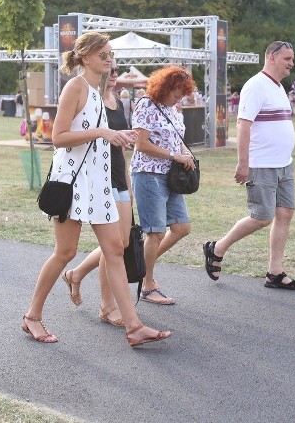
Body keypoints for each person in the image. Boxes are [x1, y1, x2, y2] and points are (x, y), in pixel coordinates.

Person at [22, 32, 171, 347]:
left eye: (110, 54)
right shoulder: (75, 87)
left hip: (100, 184)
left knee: (115, 249)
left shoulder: (99, 91)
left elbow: (95, 135)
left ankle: (134, 327)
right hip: (73, 182)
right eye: (103, 54)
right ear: (85, 57)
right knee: (66, 252)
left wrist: (119, 134)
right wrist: (103, 132)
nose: (109, 59)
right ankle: (32, 316)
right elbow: (59, 137)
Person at [201, 41, 295, 290]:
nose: (291, 63)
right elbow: (243, 124)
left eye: (292, 59)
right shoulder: (256, 85)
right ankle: (217, 248)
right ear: (271, 57)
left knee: (285, 213)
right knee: (262, 217)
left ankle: (274, 272)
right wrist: (243, 163)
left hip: (284, 165)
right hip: (262, 165)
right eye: (287, 58)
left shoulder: (278, 87)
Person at [61, 67, 134, 327]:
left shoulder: (120, 103)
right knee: (113, 246)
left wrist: (128, 184)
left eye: (117, 69)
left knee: (121, 243)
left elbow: (121, 150)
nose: (114, 73)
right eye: (109, 68)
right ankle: (107, 306)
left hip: (118, 177)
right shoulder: (90, 100)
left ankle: (77, 272)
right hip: (98, 179)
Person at [130, 65, 196, 305]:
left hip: (170, 176)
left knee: (182, 227)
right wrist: (174, 155)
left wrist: (185, 153)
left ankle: (143, 266)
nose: (180, 97)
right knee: (155, 232)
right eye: (177, 91)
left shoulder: (174, 108)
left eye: (183, 92)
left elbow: (177, 140)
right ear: (164, 87)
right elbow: (141, 145)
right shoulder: (146, 105)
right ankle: (147, 285)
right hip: (148, 173)